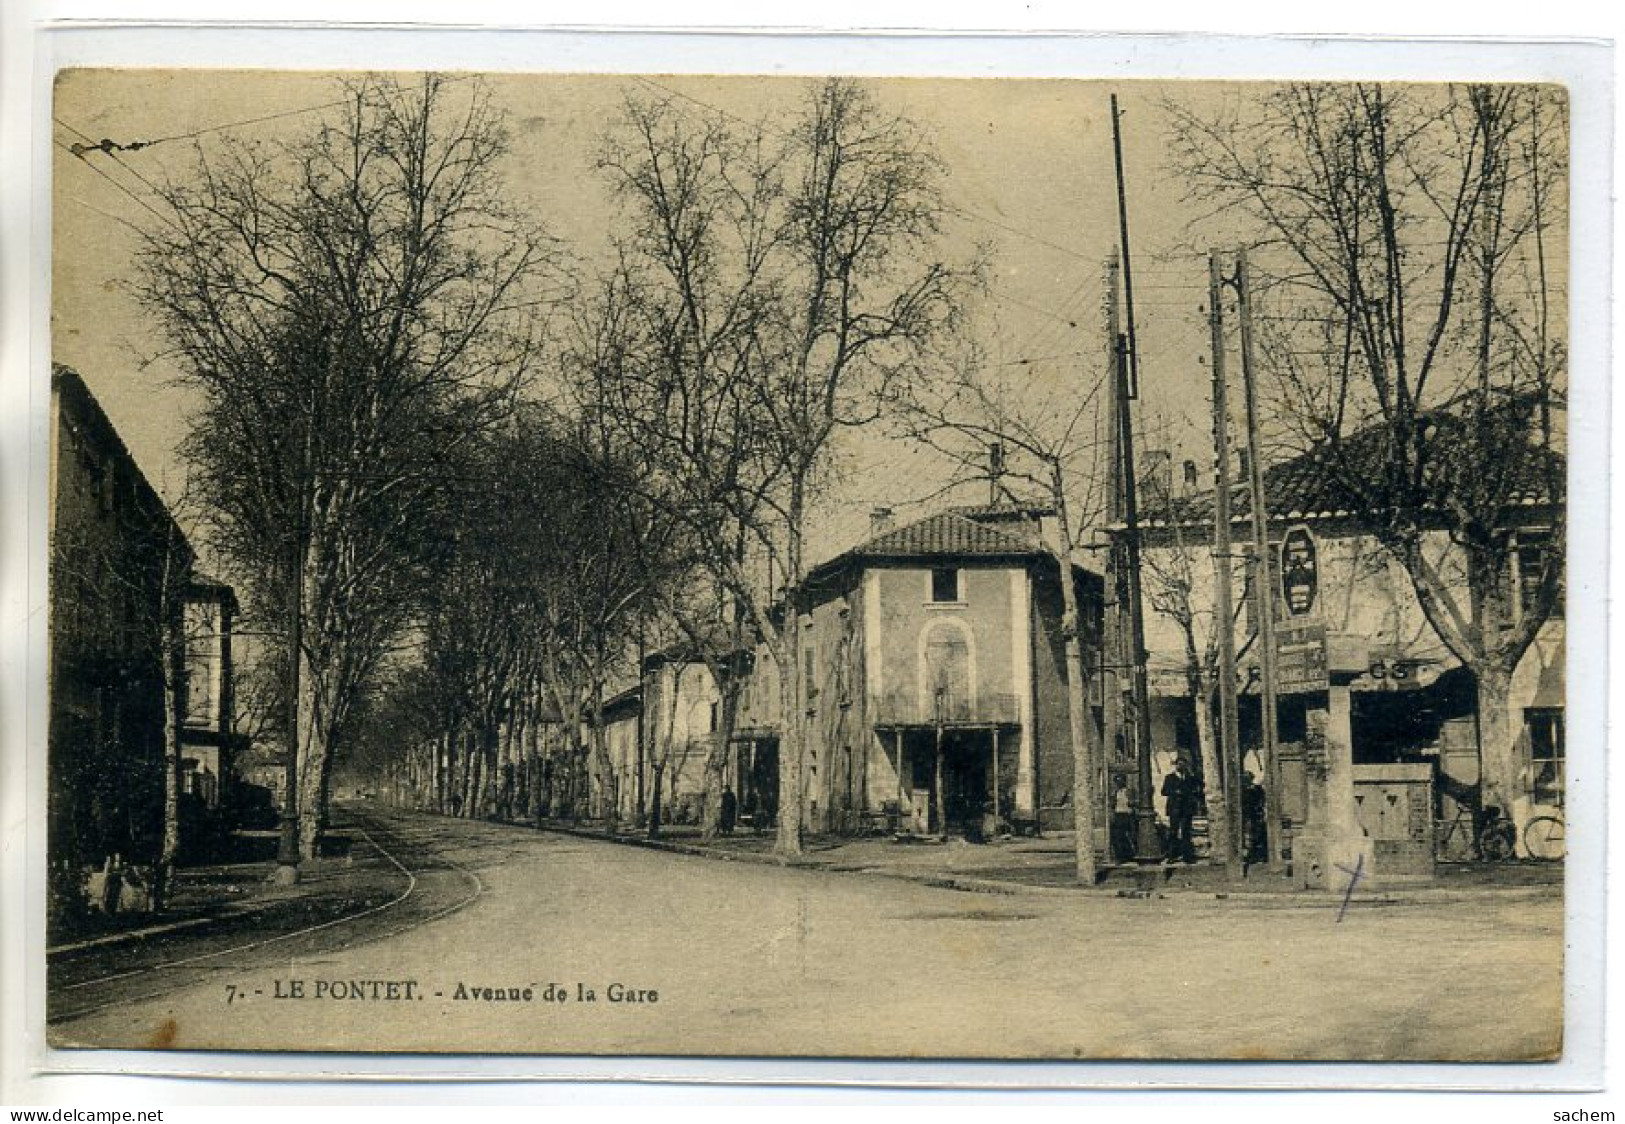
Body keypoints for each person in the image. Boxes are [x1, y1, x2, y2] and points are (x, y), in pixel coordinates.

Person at [1161, 757, 1197, 863]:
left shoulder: (1190, 778)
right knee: (1173, 832)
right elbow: (1164, 791)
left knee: (1186, 832)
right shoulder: (1169, 778)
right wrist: (1174, 791)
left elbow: (1195, 790)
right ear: (1176, 765)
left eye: (1183, 764)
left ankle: (1187, 857)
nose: (1181, 766)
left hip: (1186, 809)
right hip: (1174, 809)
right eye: (1179, 764)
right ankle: (1172, 856)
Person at [1241, 771, 1268, 865]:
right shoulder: (1247, 790)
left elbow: (1261, 801)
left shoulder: (1256, 789)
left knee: (1256, 836)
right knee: (1251, 836)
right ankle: (1253, 855)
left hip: (1255, 815)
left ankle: (1257, 855)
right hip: (1250, 815)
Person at [1110, 774, 1136, 863]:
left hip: (1127, 814)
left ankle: (1131, 854)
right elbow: (1112, 805)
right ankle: (1121, 856)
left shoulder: (1129, 791)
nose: (1118, 784)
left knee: (1130, 836)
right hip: (1118, 814)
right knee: (1118, 836)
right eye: (1117, 782)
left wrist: (1131, 803)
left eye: (1120, 781)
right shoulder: (1116, 792)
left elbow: (1133, 802)